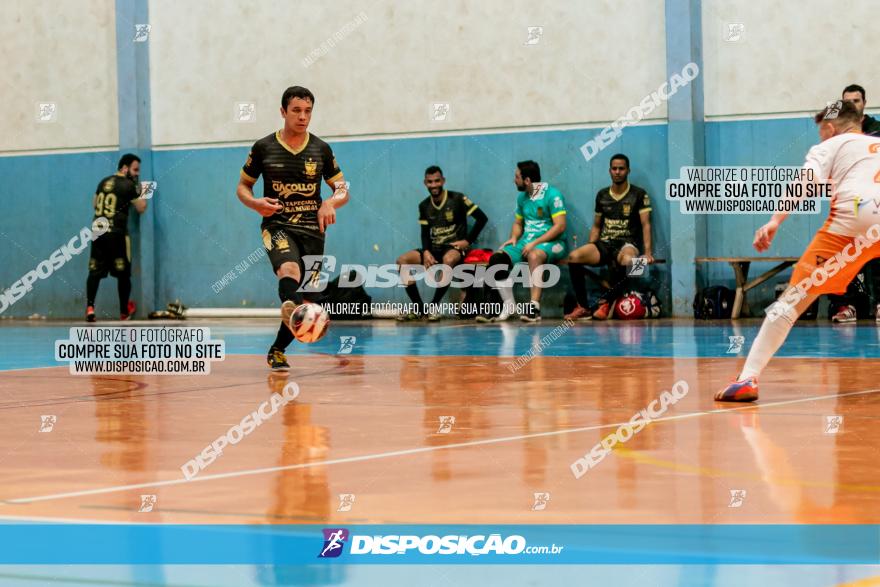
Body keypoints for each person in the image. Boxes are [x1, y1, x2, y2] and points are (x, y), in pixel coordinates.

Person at [717, 100, 880, 402]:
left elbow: (805, 182)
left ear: (830, 128)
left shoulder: (830, 145)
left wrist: (775, 220)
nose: (820, 138)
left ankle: (748, 378)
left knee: (793, 300)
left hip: (852, 223)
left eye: (821, 132)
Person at [237, 86, 349, 371]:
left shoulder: (320, 149)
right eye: (296, 110)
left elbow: (342, 188)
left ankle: (277, 349)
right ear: (283, 112)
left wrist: (331, 204)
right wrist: (255, 204)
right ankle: (297, 310)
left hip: (313, 229)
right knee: (289, 272)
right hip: (277, 224)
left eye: (308, 111)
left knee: (308, 297)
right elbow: (243, 187)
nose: (303, 117)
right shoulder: (263, 147)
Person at [564, 154, 654, 321]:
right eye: (614, 168)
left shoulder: (639, 194)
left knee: (628, 262)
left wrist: (648, 253)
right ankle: (583, 307)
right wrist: (591, 246)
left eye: (621, 168)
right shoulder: (602, 195)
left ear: (628, 170)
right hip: (605, 243)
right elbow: (597, 226)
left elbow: (646, 225)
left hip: (627, 244)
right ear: (609, 171)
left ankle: (607, 302)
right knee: (574, 257)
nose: (617, 172)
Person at [477, 160, 567, 323]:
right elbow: (518, 223)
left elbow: (560, 227)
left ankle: (534, 308)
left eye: (516, 177)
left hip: (554, 243)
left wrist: (534, 243)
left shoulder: (553, 195)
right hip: (527, 242)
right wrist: (513, 238)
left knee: (534, 255)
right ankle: (508, 304)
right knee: (497, 258)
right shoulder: (522, 198)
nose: (514, 180)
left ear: (527, 180)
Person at [396, 165, 488, 321]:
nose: (434, 185)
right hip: (434, 249)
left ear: (443, 181)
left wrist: (467, 241)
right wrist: (426, 252)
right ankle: (419, 309)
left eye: (437, 181)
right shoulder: (424, 205)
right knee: (402, 261)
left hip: (453, 249)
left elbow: (482, 218)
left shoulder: (458, 199)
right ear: (425, 183)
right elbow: (425, 233)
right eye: (430, 182)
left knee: (449, 260)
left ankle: (433, 307)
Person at [829, 84, 880, 322]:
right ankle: (845, 306)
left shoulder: (877, 130)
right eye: (847, 102)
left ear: (864, 103)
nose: (852, 106)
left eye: (856, 101)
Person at [85, 153, 147, 322]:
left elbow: (94, 204)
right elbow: (141, 208)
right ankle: (124, 312)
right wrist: (142, 191)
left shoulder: (103, 181)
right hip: (116, 233)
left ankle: (90, 308)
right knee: (123, 274)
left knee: (94, 271)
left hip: (97, 231)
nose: (137, 174)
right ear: (124, 168)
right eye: (135, 170)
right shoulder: (128, 185)